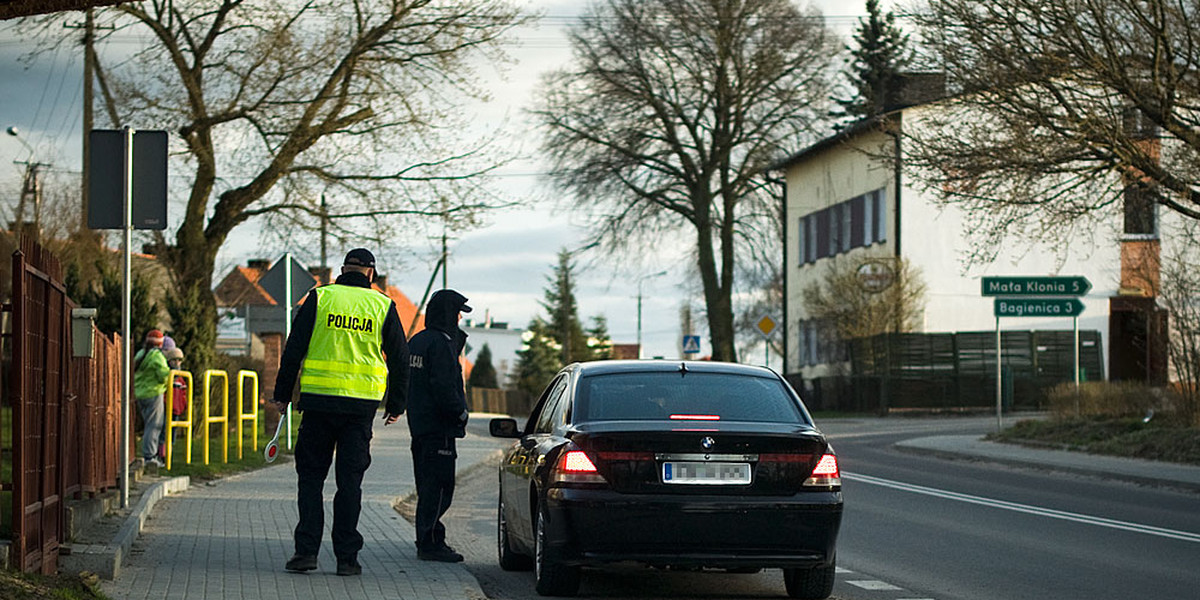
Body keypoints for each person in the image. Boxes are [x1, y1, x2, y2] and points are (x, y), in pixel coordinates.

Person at [270, 248, 410, 576]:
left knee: (310, 479)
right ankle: (347, 559)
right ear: (371, 274)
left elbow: (293, 350)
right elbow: (400, 359)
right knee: (350, 484)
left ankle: (306, 553)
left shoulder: (319, 299)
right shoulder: (382, 305)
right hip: (359, 410)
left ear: (342, 269)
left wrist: (282, 394)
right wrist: (397, 405)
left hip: (318, 404)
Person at [405, 289, 472, 562]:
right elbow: (444, 386)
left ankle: (426, 537)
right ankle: (431, 543)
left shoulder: (417, 342)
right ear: (448, 314)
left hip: (419, 426)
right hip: (439, 429)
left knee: (426, 486)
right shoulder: (441, 345)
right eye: (457, 313)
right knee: (440, 488)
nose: (459, 318)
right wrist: (460, 413)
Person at [133, 329, 171, 468]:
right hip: (154, 393)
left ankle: (148, 454)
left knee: (148, 425)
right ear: (160, 344)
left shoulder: (141, 354)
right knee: (154, 426)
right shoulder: (157, 356)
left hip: (140, 394)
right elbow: (163, 375)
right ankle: (150, 456)